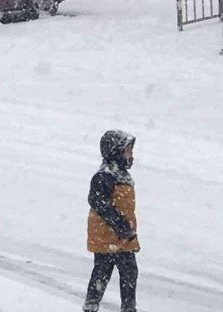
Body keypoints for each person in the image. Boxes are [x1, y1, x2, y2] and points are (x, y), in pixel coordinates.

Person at [83, 130, 140, 312]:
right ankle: (91, 305)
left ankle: (128, 307)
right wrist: (120, 224)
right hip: (107, 237)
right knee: (102, 272)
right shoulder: (104, 176)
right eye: (127, 151)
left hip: (122, 238)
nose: (131, 156)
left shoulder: (122, 176)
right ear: (115, 152)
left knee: (129, 272)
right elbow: (99, 202)